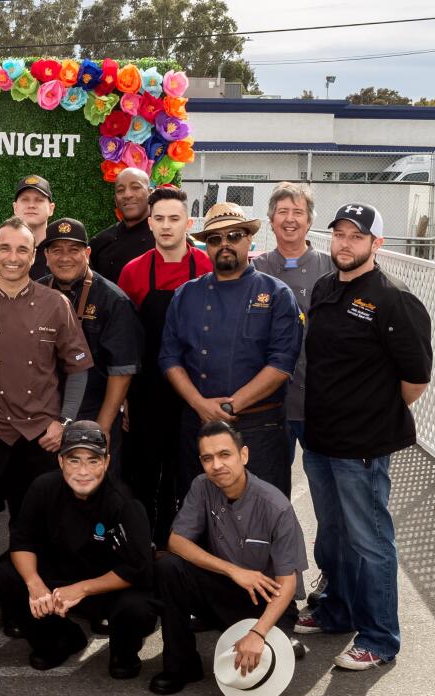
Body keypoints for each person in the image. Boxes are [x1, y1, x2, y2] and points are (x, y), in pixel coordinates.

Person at [295, 203, 432, 671]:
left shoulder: (393, 299)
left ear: (377, 244)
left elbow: (415, 378)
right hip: (320, 440)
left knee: (370, 541)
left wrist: (372, 414)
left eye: (357, 236)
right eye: (339, 234)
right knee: (333, 536)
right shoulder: (324, 287)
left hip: (364, 448)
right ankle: (337, 610)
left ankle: (379, 637)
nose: (345, 243)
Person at [0, 217, 91, 604]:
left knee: (37, 523)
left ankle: (34, 596)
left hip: (40, 436)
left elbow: (77, 368)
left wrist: (66, 422)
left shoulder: (55, 304)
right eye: (4, 248)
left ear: (33, 256)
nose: (13, 257)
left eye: (22, 249)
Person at [149, 421, 307, 696]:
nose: (217, 465)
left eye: (225, 455)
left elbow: (288, 585)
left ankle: (277, 637)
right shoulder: (202, 486)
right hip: (226, 590)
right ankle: (181, 666)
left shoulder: (275, 506)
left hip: (266, 601)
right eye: (208, 458)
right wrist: (233, 570)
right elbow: (176, 542)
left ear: (243, 455)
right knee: (167, 566)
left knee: (264, 658)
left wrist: (258, 633)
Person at [0, 421, 155, 676]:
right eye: (74, 460)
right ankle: (60, 638)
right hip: (56, 579)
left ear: (107, 462)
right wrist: (35, 584)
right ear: (61, 461)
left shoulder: (124, 502)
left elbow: (137, 569)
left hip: (105, 587)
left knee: (138, 607)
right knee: (4, 575)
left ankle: (124, 652)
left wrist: (82, 589)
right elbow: (22, 541)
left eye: (93, 460)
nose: (83, 471)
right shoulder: (43, 487)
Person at [160, 202, 302, 501]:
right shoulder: (186, 295)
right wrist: (199, 404)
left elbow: (281, 364)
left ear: (250, 238)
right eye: (214, 239)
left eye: (234, 235)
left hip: (258, 428)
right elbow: (170, 358)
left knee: (263, 515)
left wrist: (230, 407)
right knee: (201, 512)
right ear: (206, 247)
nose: (225, 245)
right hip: (199, 423)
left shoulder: (277, 294)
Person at [116, 187, 212, 541]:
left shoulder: (205, 267)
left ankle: (180, 547)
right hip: (146, 390)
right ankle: (143, 546)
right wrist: (125, 394)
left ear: (188, 223)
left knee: (184, 470)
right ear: (150, 224)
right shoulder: (133, 272)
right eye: (160, 219)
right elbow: (126, 339)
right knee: (142, 471)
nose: (167, 226)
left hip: (194, 390)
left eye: (175, 219)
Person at [39, 217, 143, 467]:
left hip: (92, 413)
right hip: (45, 417)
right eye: (57, 250)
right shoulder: (37, 293)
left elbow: (122, 371)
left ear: (87, 252)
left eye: (74, 250)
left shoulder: (112, 300)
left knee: (95, 492)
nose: (65, 258)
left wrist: (103, 426)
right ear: (46, 255)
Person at [250, 182, 334, 465]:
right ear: (271, 220)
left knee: (327, 489)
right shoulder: (256, 270)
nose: (290, 219)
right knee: (271, 489)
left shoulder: (332, 268)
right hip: (269, 404)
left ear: (309, 221)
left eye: (298, 212)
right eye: (282, 211)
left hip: (320, 403)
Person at [0, 176, 56, 279]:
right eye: (25, 200)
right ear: (15, 208)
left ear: (51, 209)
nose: (31, 205)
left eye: (39, 200)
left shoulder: (59, 252)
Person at [89, 168, 153, 285]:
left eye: (136, 187)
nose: (127, 195)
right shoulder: (99, 243)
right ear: (115, 200)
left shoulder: (167, 240)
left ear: (150, 193)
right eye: (120, 190)